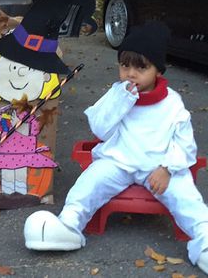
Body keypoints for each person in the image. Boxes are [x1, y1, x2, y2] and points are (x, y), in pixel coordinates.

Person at [24, 22, 208, 273]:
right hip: (118, 161)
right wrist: (121, 102)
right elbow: (99, 128)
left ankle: (204, 240)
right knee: (89, 182)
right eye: (125, 65)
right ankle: (68, 225)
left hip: (158, 165)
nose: (131, 74)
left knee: (186, 196)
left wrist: (167, 167)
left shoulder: (172, 103)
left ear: (157, 70)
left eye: (141, 67)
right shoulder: (117, 93)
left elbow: (185, 142)